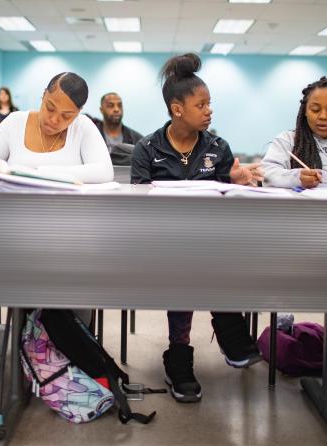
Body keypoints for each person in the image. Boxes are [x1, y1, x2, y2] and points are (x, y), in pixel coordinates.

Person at [0, 72, 113, 372]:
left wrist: (36, 172)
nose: (54, 119)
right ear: (43, 95)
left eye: (66, 115)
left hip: (66, 238)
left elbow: (104, 172)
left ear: (77, 114)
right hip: (7, 235)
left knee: (84, 274)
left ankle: (75, 343)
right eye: (50, 107)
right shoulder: (14, 122)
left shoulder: (84, 128)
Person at [131, 53, 263, 403]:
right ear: (177, 109)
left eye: (210, 104)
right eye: (201, 104)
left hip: (210, 242)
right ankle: (191, 350)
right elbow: (137, 206)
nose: (209, 111)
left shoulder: (218, 148)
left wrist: (241, 182)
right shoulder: (147, 148)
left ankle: (194, 347)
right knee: (185, 263)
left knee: (202, 258)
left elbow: (231, 203)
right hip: (160, 244)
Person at [263, 76, 327, 189]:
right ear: (305, 111)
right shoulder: (288, 140)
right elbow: (266, 174)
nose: (323, 116)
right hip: (301, 206)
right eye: (315, 110)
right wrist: (297, 177)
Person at [91, 92, 143, 165]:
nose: (116, 109)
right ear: (101, 110)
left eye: (119, 105)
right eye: (110, 106)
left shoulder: (138, 140)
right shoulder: (91, 135)